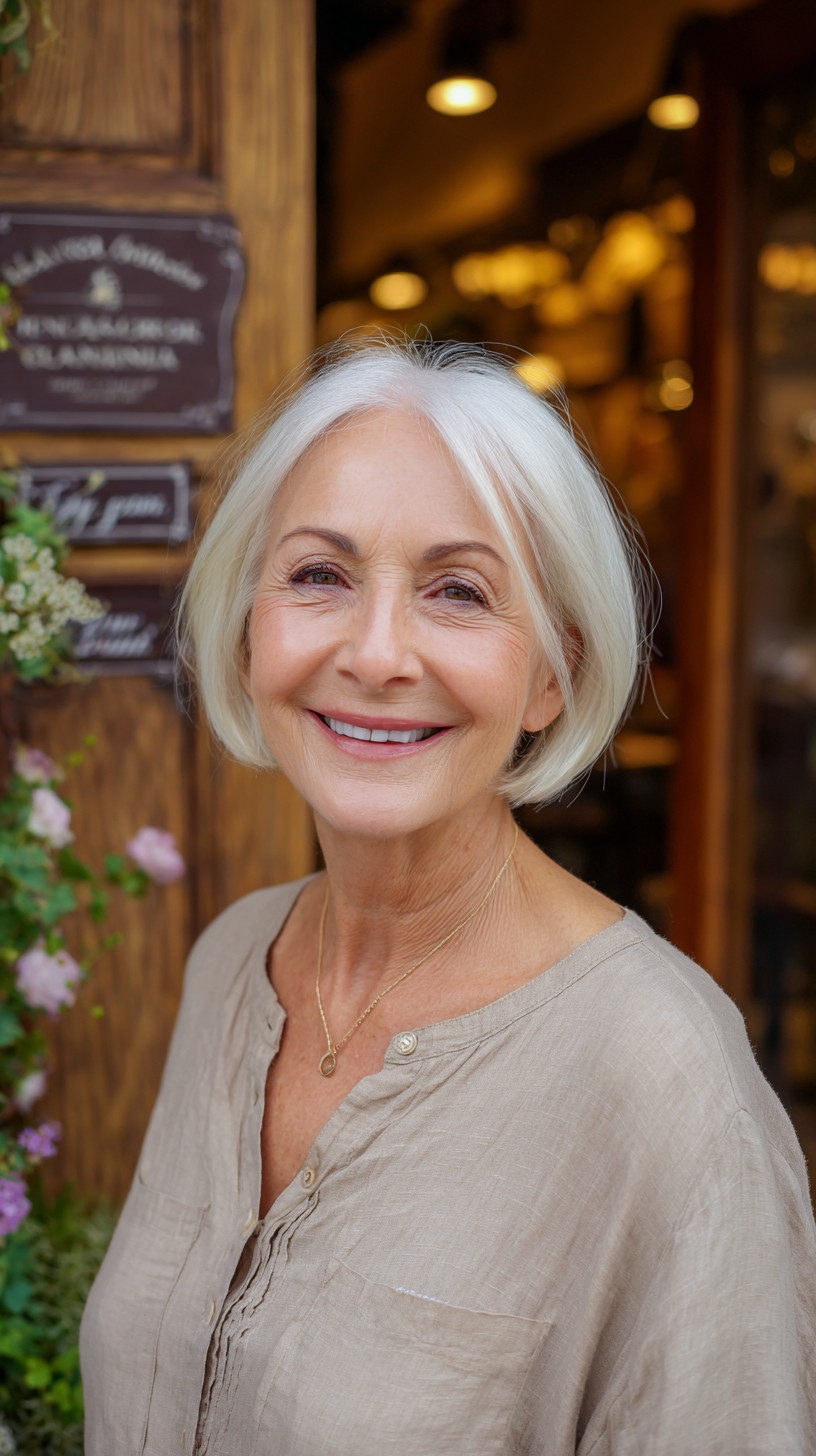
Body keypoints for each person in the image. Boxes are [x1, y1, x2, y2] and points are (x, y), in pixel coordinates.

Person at [80, 338, 816, 1455]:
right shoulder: (233, 962)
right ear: (245, 628)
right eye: (319, 575)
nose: (376, 653)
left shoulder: (666, 1081)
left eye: (458, 591)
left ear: (553, 673)